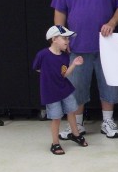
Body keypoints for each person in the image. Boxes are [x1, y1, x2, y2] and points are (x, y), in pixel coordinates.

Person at [52, 0, 118, 139]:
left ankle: (108, 121)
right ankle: (76, 125)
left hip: (107, 45)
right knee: (76, 86)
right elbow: (60, 10)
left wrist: (112, 21)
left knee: (109, 84)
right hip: (77, 45)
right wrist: (61, 38)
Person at [33, 25, 88, 155]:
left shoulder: (64, 57)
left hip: (65, 90)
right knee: (56, 117)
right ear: (54, 39)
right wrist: (48, 77)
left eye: (68, 39)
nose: (67, 42)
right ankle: (55, 143)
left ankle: (75, 134)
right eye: (64, 38)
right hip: (51, 93)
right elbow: (37, 68)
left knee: (71, 111)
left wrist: (74, 64)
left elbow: (64, 74)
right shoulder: (43, 55)